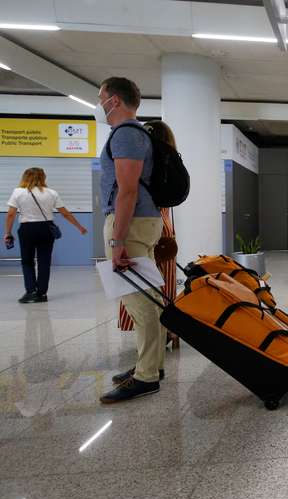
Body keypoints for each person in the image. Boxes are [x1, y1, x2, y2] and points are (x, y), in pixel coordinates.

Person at [96, 77, 167, 404]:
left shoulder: (126, 135)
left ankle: (147, 376)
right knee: (149, 299)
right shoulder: (132, 135)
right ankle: (151, 364)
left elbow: (127, 190)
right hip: (142, 221)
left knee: (141, 304)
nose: (100, 105)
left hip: (131, 224)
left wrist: (117, 240)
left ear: (115, 100)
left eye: (102, 98)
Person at [118, 120, 180, 354]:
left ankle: (152, 343)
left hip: (141, 224)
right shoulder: (168, 158)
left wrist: (117, 239)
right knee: (164, 283)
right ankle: (167, 331)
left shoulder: (142, 162)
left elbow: (129, 193)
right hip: (162, 226)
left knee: (141, 288)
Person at [4, 167, 87, 303]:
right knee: (44, 261)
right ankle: (42, 293)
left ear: (25, 177)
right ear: (43, 178)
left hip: (27, 229)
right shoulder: (51, 193)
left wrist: (8, 232)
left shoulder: (18, 192)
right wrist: (79, 227)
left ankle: (31, 292)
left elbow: (11, 214)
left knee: (27, 261)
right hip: (46, 229)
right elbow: (65, 213)